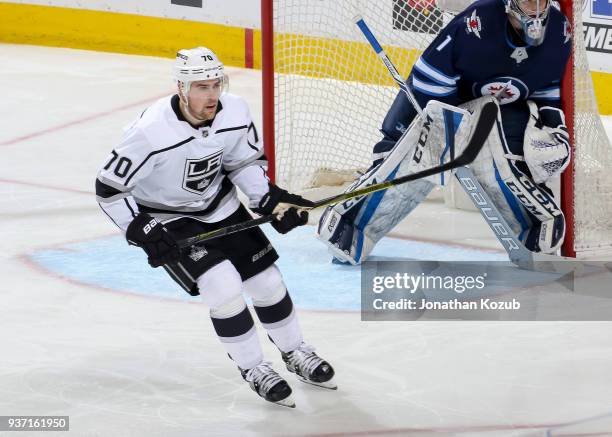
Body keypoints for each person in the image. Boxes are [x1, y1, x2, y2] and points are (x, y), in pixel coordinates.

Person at [95, 47, 335, 408]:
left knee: (267, 282)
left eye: (215, 85)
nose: (211, 96)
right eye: (202, 87)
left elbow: (244, 162)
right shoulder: (149, 132)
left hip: (221, 206)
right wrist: (142, 231)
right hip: (169, 220)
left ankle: (295, 351)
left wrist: (267, 199)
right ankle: (254, 368)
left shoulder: (235, 110)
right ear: (182, 88)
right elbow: (109, 189)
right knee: (222, 286)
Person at [318, 0, 572, 264]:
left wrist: (553, 124)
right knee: (418, 160)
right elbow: (429, 76)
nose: (537, 9)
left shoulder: (559, 33)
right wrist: (445, 133)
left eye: (542, 0)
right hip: (440, 98)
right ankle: (351, 224)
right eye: (529, 1)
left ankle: (534, 226)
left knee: (514, 160)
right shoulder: (479, 24)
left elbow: (547, 85)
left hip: (498, 109)